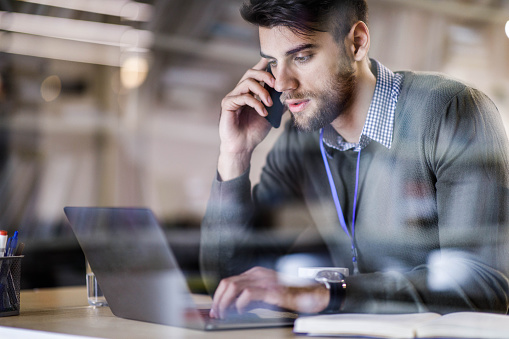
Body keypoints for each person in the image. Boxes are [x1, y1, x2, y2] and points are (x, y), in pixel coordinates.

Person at [200, 0, 509, 319]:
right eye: (273, 63)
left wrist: (326, 294)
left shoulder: (453, 111)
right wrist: (235, 153)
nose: (282, 84)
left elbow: (482, 288)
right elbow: (232, 284)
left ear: (356, 43)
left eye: (302, 57)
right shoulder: (300, 140)